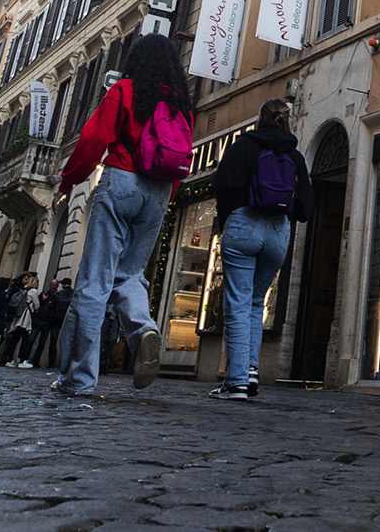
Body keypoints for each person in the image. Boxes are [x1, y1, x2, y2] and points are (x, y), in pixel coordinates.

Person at [52, 33, 197, 396]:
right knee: (130, 275)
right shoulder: (180, 102)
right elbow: (181, 154)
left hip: (121, 179)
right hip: (159, 191)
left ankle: (79, 379)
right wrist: (165, 197)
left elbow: (92, 139)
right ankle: (143, 327)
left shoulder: (126, 90)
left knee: (94, 282)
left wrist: (70, 181)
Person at [207, 97, 313, 401]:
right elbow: (305, 204)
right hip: (278, 232)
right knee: (255, 303)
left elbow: (222, 184)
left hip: (244, 223)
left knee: (238, 303)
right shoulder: (295, 155)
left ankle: (237, 381)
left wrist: (230, 217)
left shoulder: (244, 145)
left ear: (260, 119)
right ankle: (251, 371)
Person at [0, 273, 39, 368]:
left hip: (17, 318)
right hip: (25, 318)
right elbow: (37, 305)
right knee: (25, 340)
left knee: (15, 339)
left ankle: (10, 360)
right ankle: (22, 360)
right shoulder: (33, 292)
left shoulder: (23, 290)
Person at [30, 280, 67, 370]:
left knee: (43, 342)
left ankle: (40, 361)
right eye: (52, 285)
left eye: (55, 285)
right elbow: (38, 305)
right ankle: (29, 359)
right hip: (41, 320)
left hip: (49, 322)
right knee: (31, 340)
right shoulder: (45, 294)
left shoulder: (58, 296)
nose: (53, 286)